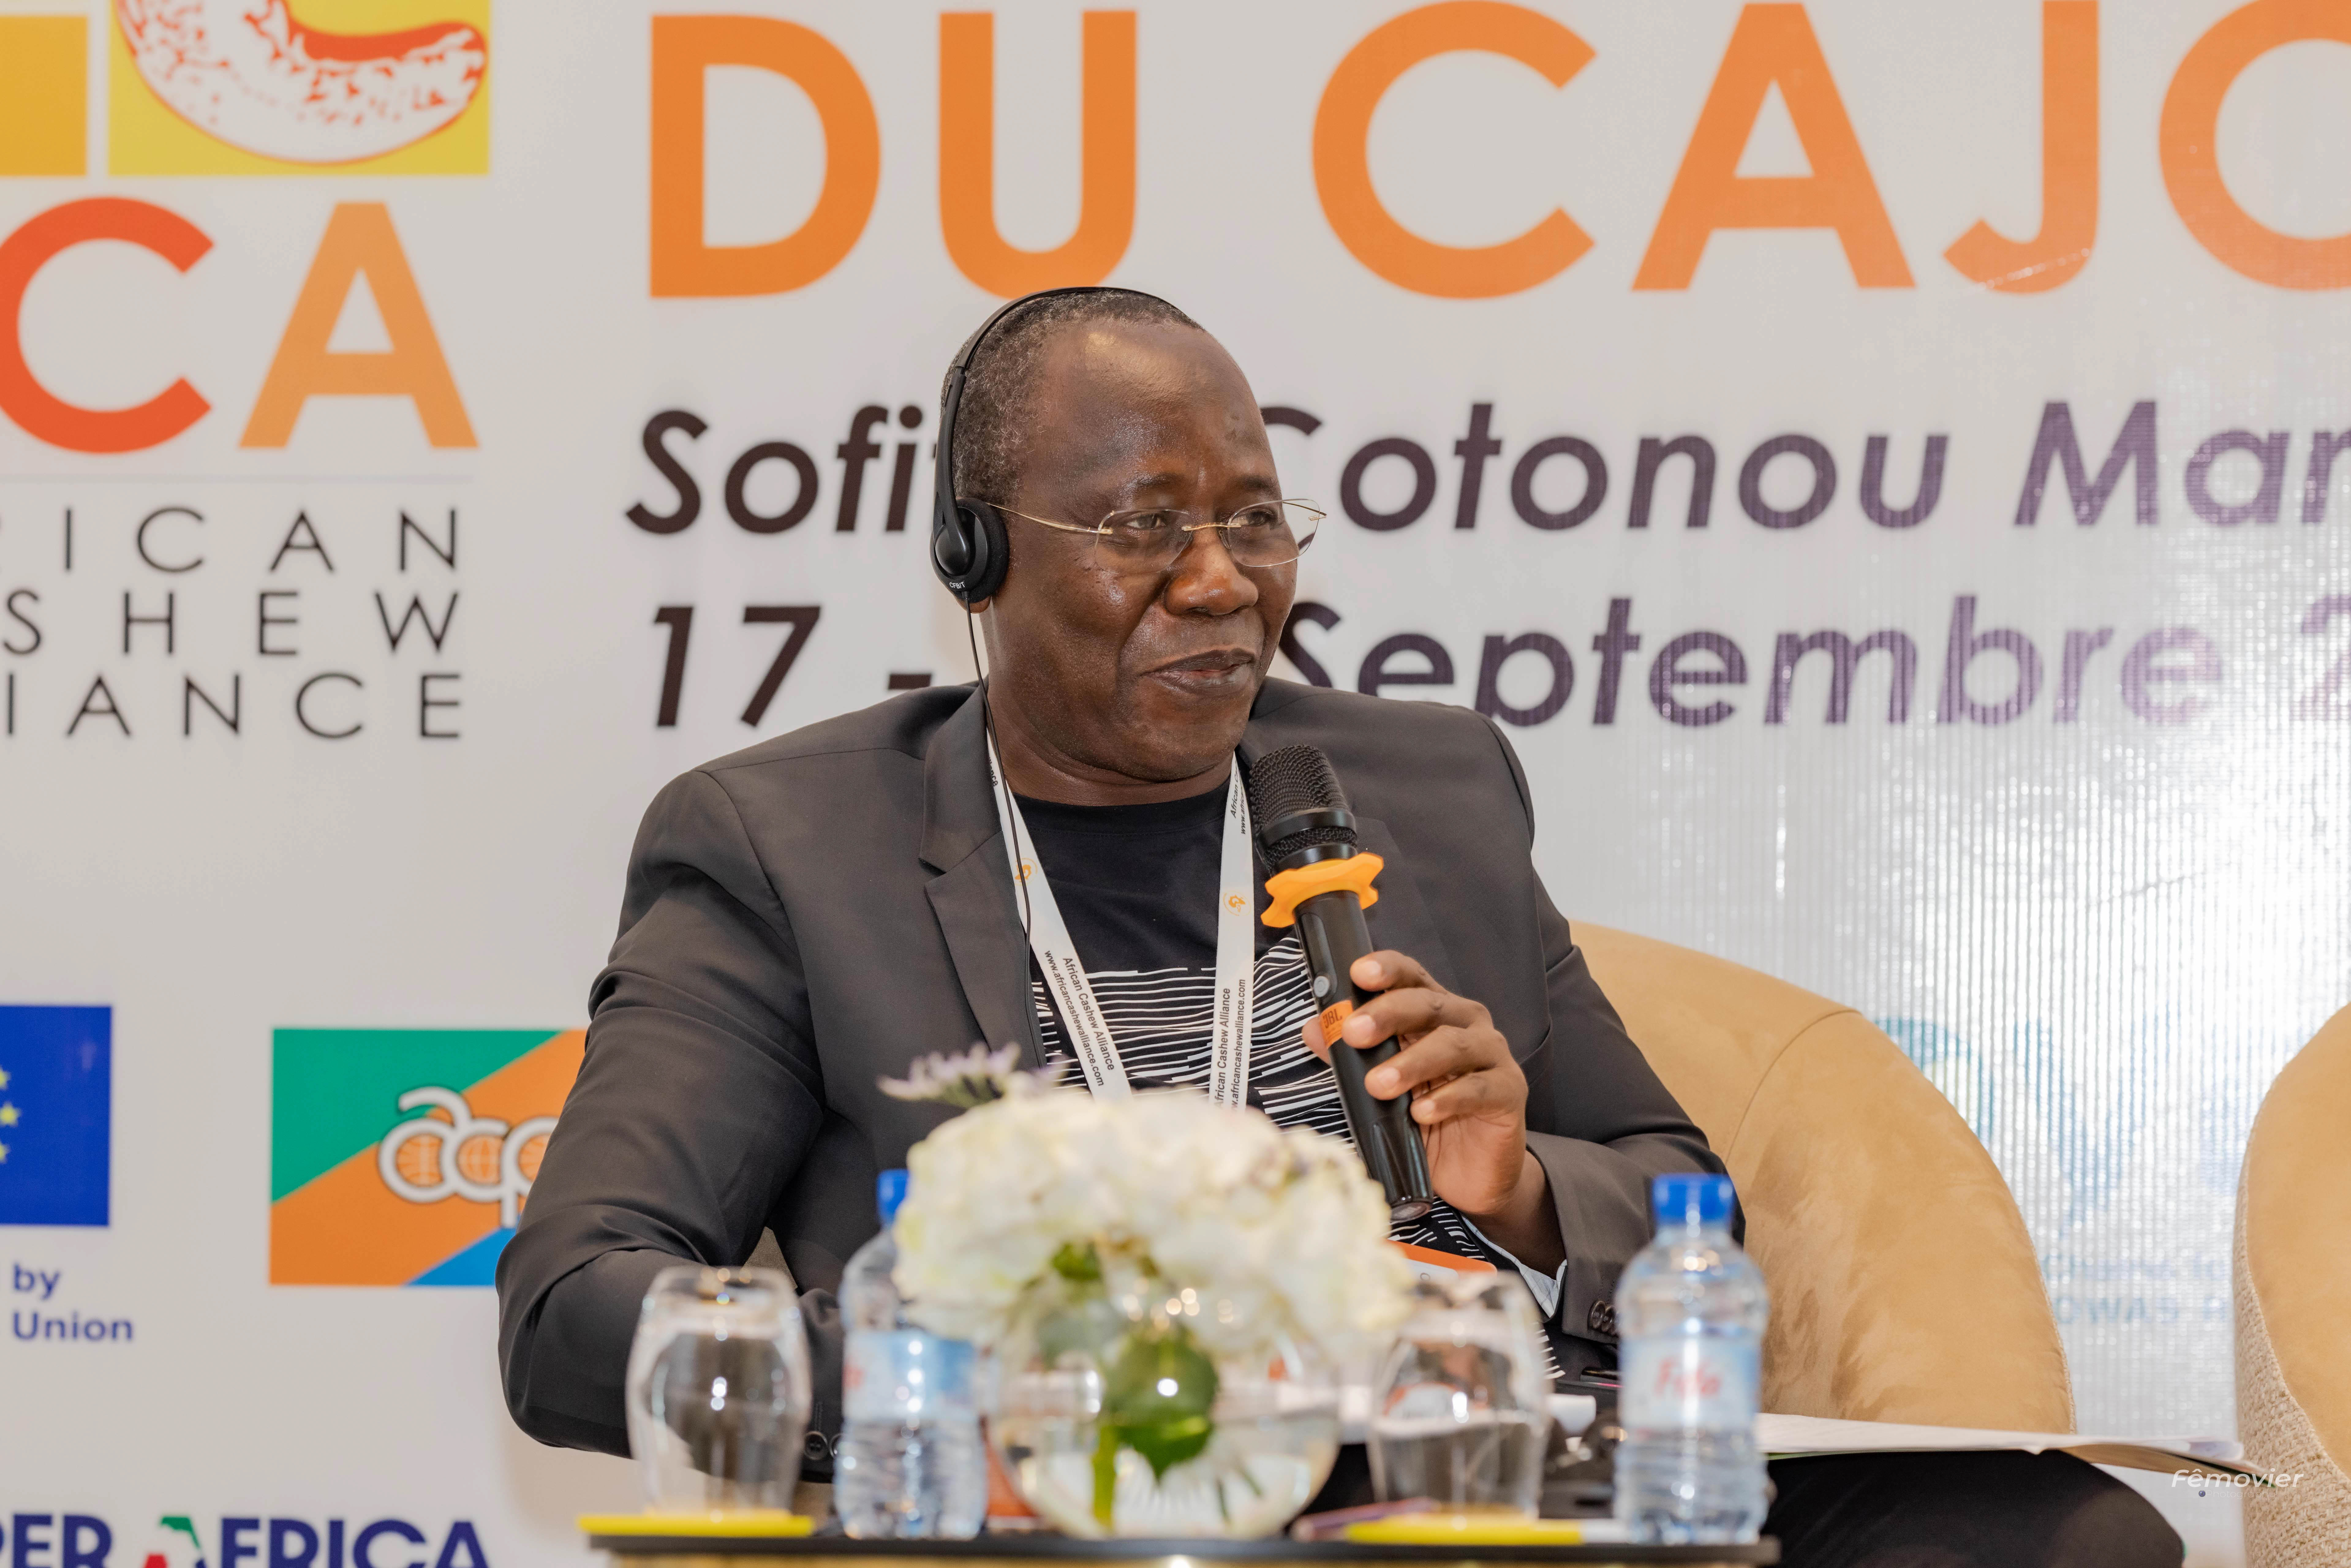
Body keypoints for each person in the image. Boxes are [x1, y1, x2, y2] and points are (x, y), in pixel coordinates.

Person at [497, 290, 2180, 1568]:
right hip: (1073, 1495)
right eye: (1144, 527)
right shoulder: (790, 847)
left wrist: (1517, 1188)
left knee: (2060, 1537)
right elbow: (573, 1305)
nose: (1223, 581)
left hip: (1463, 1480)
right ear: (977, 554)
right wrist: (989, 1363)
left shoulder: (1425, 788)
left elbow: (1676, 1191)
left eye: (1253, 519)